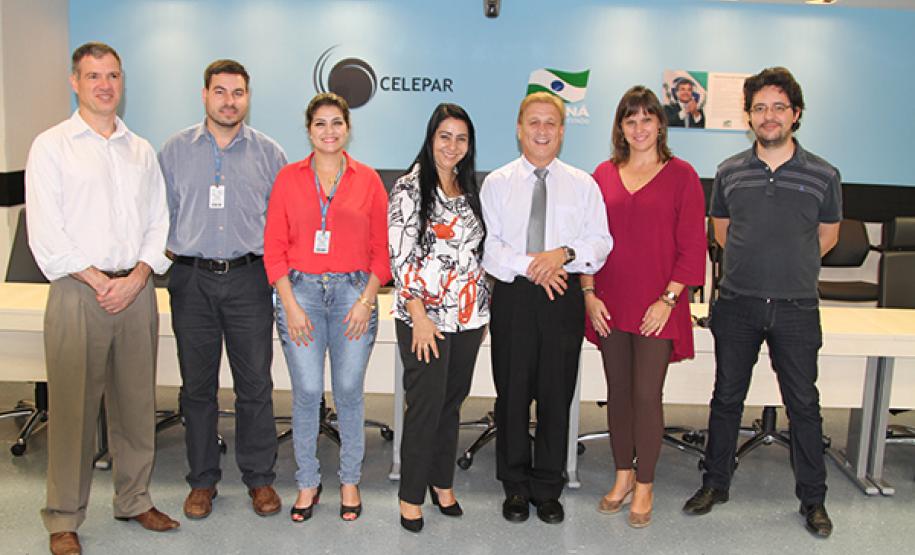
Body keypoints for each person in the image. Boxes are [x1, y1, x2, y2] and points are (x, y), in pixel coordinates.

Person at [25, 42, 178, 555]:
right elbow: (47, 234)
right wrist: (98, 281)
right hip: (77, 292)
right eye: (93, 76)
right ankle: (64, 516)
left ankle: (134, 499)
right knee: (73, 410)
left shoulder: (140, 149)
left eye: (112, 75)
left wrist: (137, 276)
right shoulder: (51, 147)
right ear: (75, 82)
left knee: (136, 406)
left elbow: (160, 221)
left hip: (136, 292)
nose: (105, 85)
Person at [682, 67, 840, 539]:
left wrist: (789, 263)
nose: (768, 116)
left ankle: (813, 500)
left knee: (804, 405)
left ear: (795, 114)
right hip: (737, 304)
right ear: (748, 115)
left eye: (778, 107)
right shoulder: (730, 172)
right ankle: (716, 483)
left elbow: (826, 236)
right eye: (759, 108)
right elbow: (722, 230)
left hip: (796, 307)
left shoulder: (823, 174)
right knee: (726, 398)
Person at [158, 59, 288, 520]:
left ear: (248, 98)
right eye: (220, 91)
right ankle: (202, 481)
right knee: (197, 388)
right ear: (205, 95)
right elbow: (159, 217)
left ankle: (259, 479)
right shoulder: (173, 150)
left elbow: (282, 224)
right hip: (190, 279)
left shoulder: (270, 154)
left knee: (255, 385)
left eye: (238, 92)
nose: (229, 101)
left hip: (249, 278)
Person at [481, 91, 613, 525]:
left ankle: (547, 487)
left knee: (556, 396)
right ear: (519, 129)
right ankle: (516, 487)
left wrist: (563, 253)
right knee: (513, 396)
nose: (541, 130)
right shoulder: (498, 183)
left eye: (550, 123)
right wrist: (537, 266)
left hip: (563, 297)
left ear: (562, 131)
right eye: (533, 122)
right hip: (515, 297)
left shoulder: (583, 183)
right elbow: (491, 249)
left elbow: (600, 243)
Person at [264, 92, 390, 524]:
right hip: (300, 295)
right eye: (320, 123)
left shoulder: (368, 180)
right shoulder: (288, 178)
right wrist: (290, 304)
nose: (329, 131)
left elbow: (382, 251)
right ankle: (307, 481)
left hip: (355, 295)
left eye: (337, 122)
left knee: (350, 390)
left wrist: (366, 300)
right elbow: (274, 249)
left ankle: (350, 479)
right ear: (308, 129)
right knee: (306, 393)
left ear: (348, 128)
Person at [583, 86, 706, 528]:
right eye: (630, 120)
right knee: (617, 393)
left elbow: (692, 248)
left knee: (645, 394)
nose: (639, 128)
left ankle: (647, 482)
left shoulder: (682, 175)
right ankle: (622, 475)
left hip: (659, 304)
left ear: (660, 124)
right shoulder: (602, 173)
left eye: (647, 119)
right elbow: (587, 243)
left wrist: (669, 300)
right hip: (609, 303)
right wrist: (589, 293)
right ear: (620, 127)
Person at [388, 103, 490, 533]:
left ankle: (441, 481)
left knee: (451, 404)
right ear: (431, 139)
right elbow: (401, 257)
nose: (452, 146)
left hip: (469, 318)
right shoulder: (410, 188)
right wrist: (419, 314)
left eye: (461, 138)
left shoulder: (468, 188)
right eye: (444, 136)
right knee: (425, 407)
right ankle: (411, 495)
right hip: (425, 319)